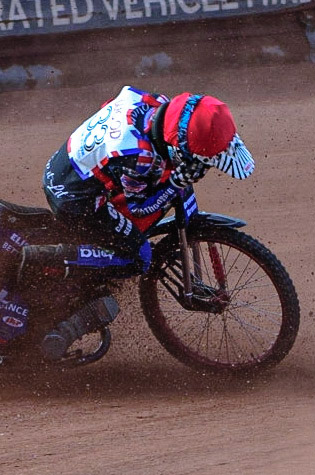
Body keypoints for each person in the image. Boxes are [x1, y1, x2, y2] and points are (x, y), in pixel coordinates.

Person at [17, 86, 255, 358]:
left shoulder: (158, 105)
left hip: (74, 167)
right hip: (74, 198)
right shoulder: (139, 157)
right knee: (139, 256)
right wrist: (176, 182)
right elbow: (140, 208)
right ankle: (52, 260)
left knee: (152, 189)